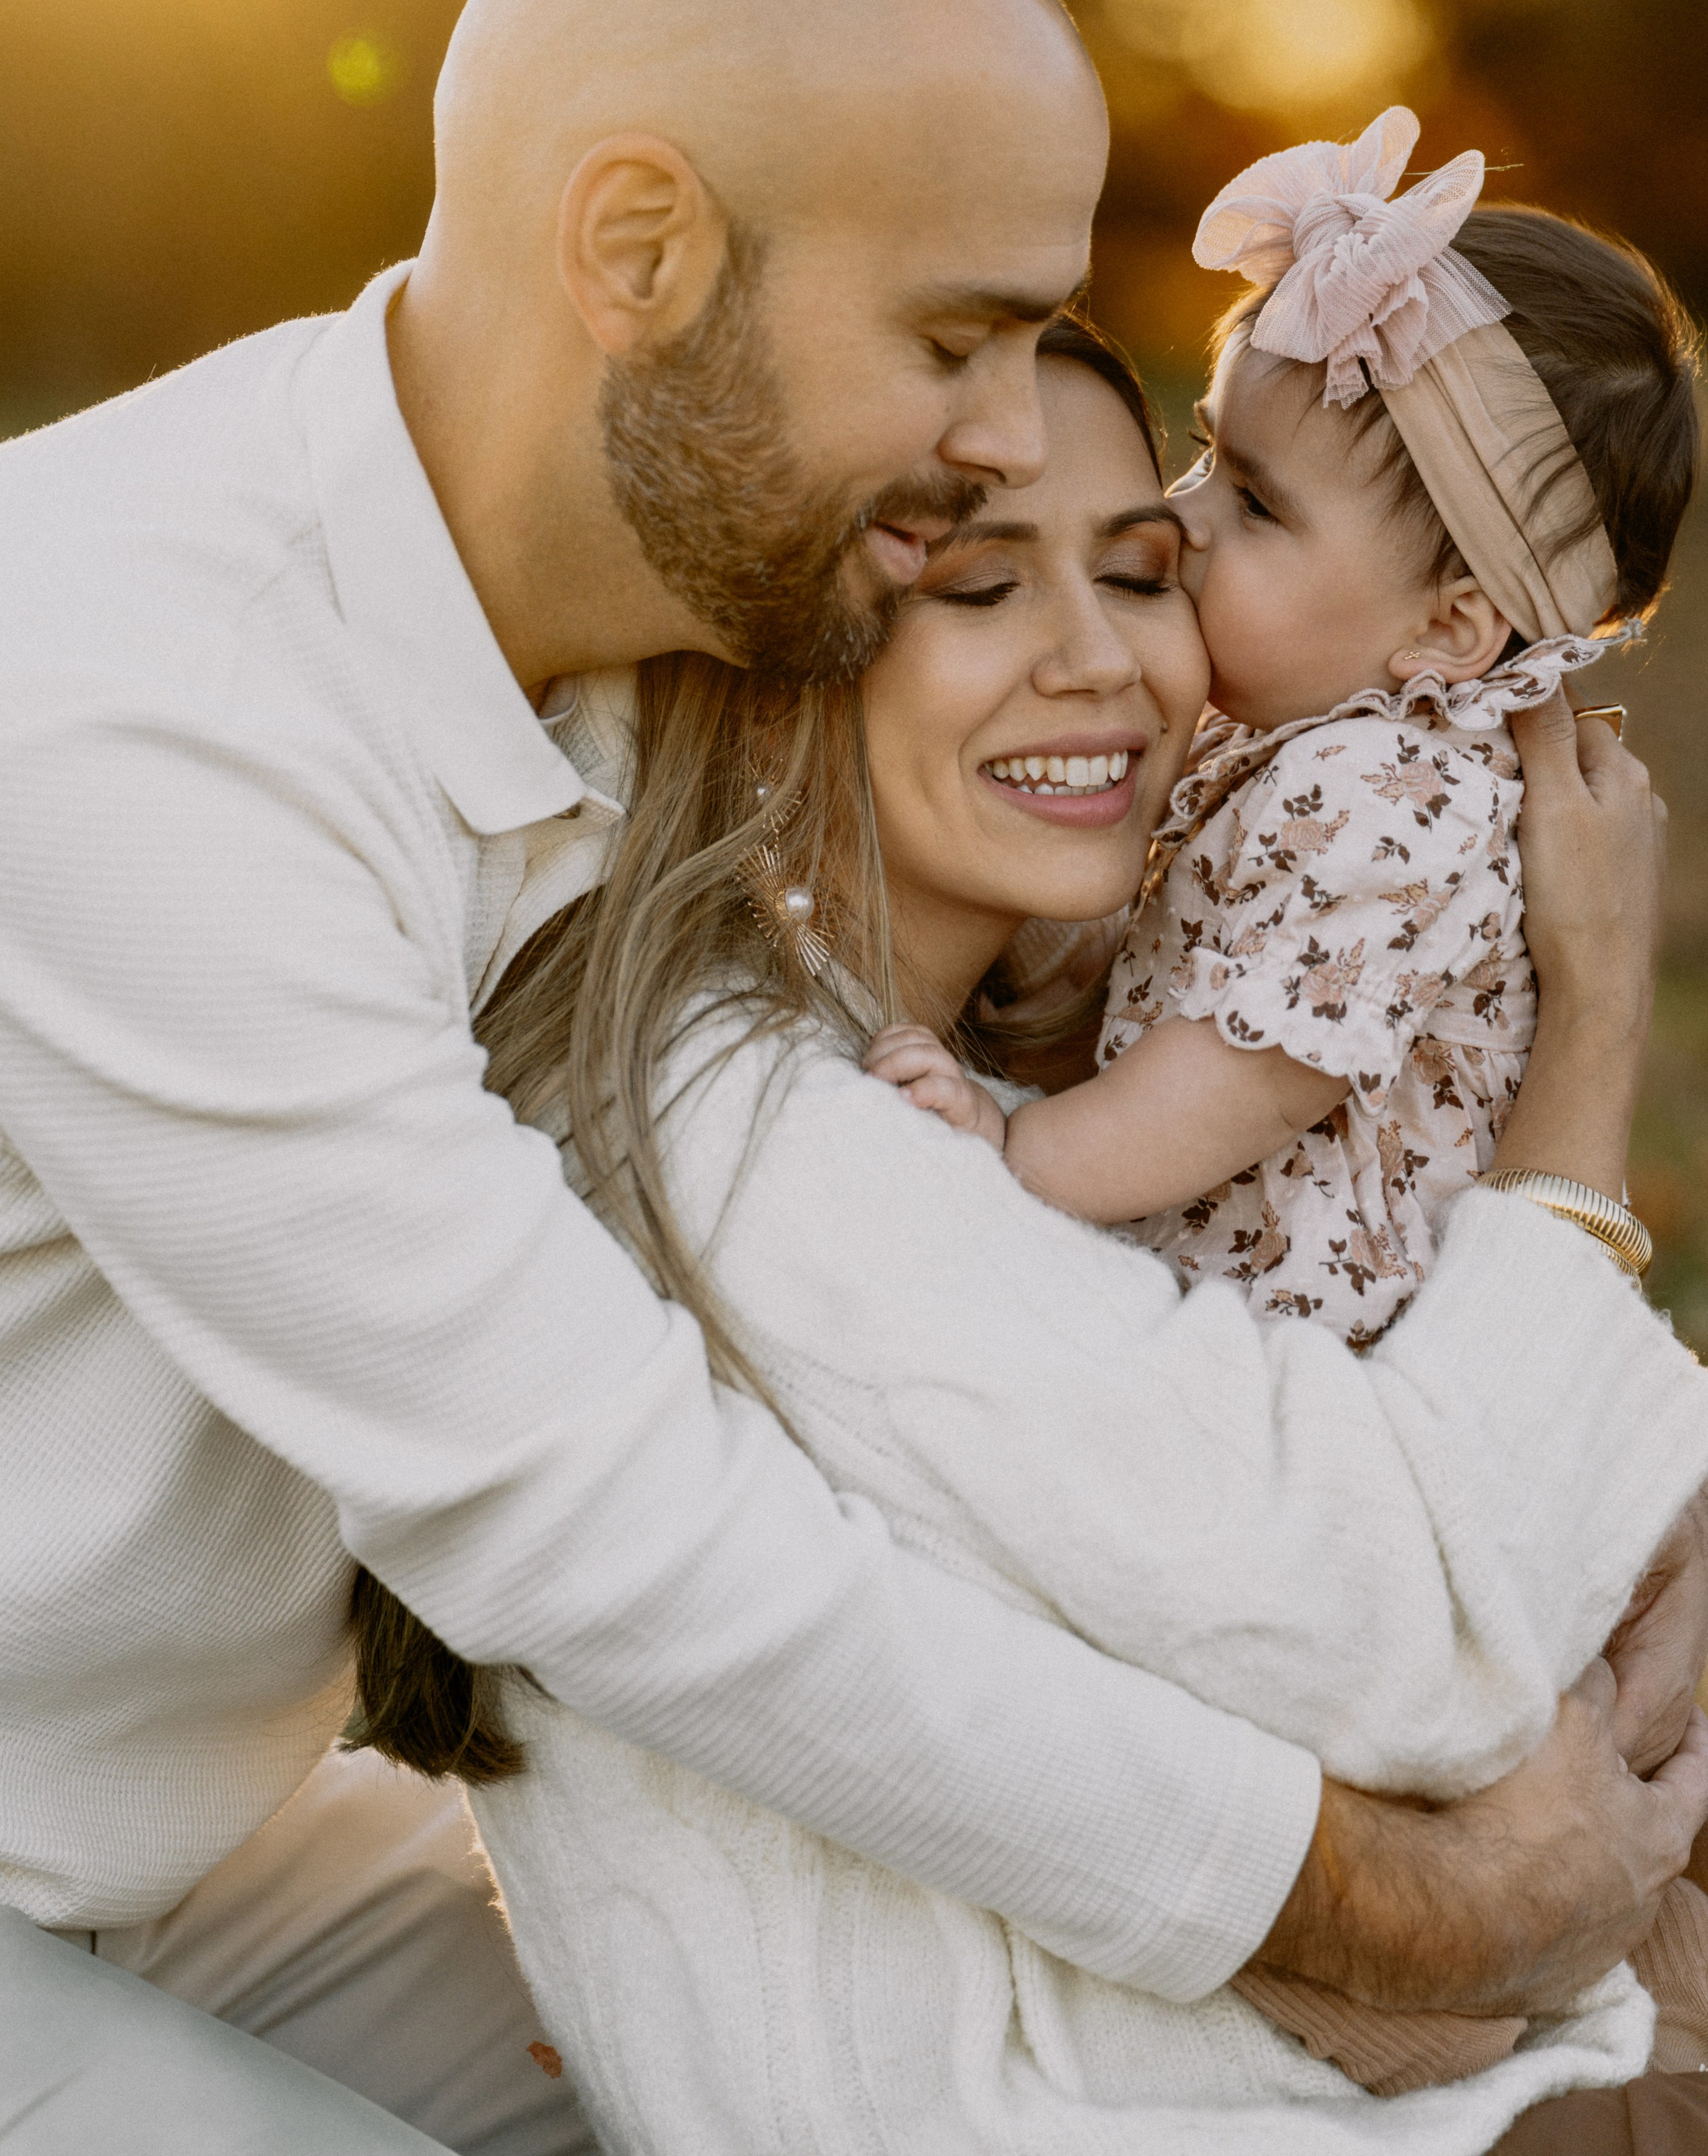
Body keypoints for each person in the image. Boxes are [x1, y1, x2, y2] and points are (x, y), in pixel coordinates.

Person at [0, 0, 1702, 2152]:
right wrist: (1403, 1903)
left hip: (192, 1843)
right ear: (641, 250)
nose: (1008, 431)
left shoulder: (668, 639)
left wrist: (1635, 1482)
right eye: (955, 338)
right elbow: (624, 1542)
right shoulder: (127, 716)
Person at [338, 318, 1708, 2153]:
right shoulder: (756, 1130)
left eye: (1145, 569)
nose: (1104, 659)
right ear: (773, 659)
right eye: (980, 587)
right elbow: (1417, 1629)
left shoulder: (976, 1069)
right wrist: (1592, 1030)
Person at [866, 107, 1697, 1345]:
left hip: (1331, 1333)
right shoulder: (1310, 745)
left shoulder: (1398, 790)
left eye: (1257, 502)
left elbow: (1244, 1079)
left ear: (1454, 627)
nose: (1185, 517)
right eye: (1206, 453)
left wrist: (1011, 1146)